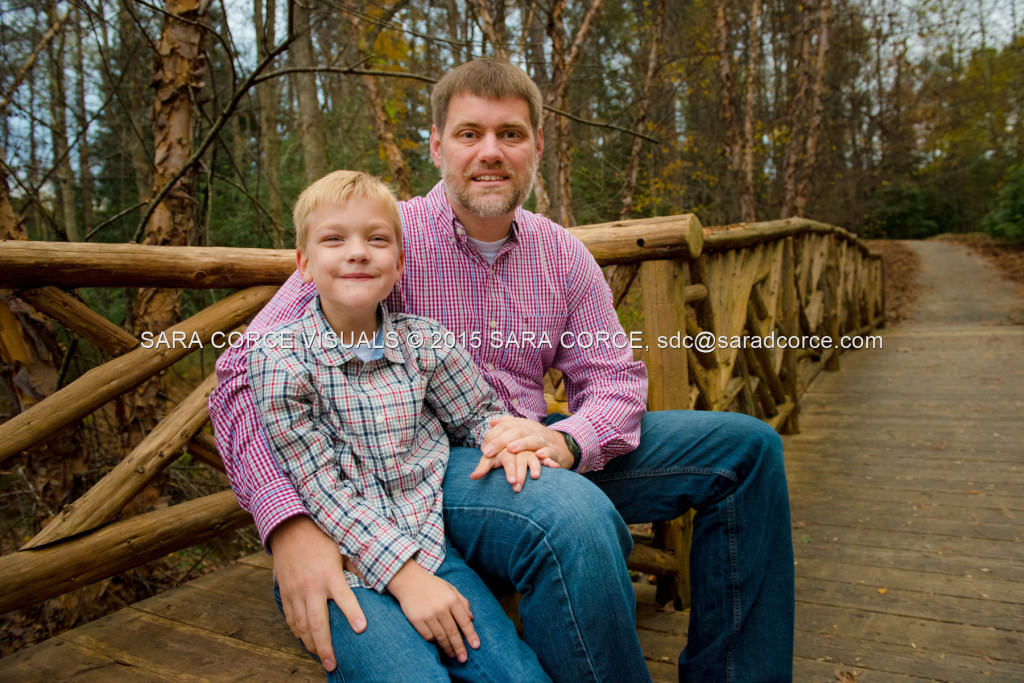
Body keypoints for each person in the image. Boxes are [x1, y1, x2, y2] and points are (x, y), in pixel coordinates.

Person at [210, 58, 794, 682]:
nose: (490, 152)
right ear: (437, 146)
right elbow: (241, 375)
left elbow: (614, 381)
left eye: (510, 134)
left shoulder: (561, 253)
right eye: (469, 134)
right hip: (432, 459)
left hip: (539, 439)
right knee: (568, 514)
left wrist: (568, 440)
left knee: (746, 450)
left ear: (537, 146)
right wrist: (288, 527)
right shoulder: (381, 241)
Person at [246, 169, 552, 681]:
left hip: (430, 543)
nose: (358, 252)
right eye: (334, 239)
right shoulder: (279, 361)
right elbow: (320, 490)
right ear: (303, 264)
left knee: (517, 675)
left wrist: (509, 440)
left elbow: (477, 413)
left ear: (399, 264)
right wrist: (406, 580)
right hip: (340, 568)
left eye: (377, 239)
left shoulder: (426, 343)